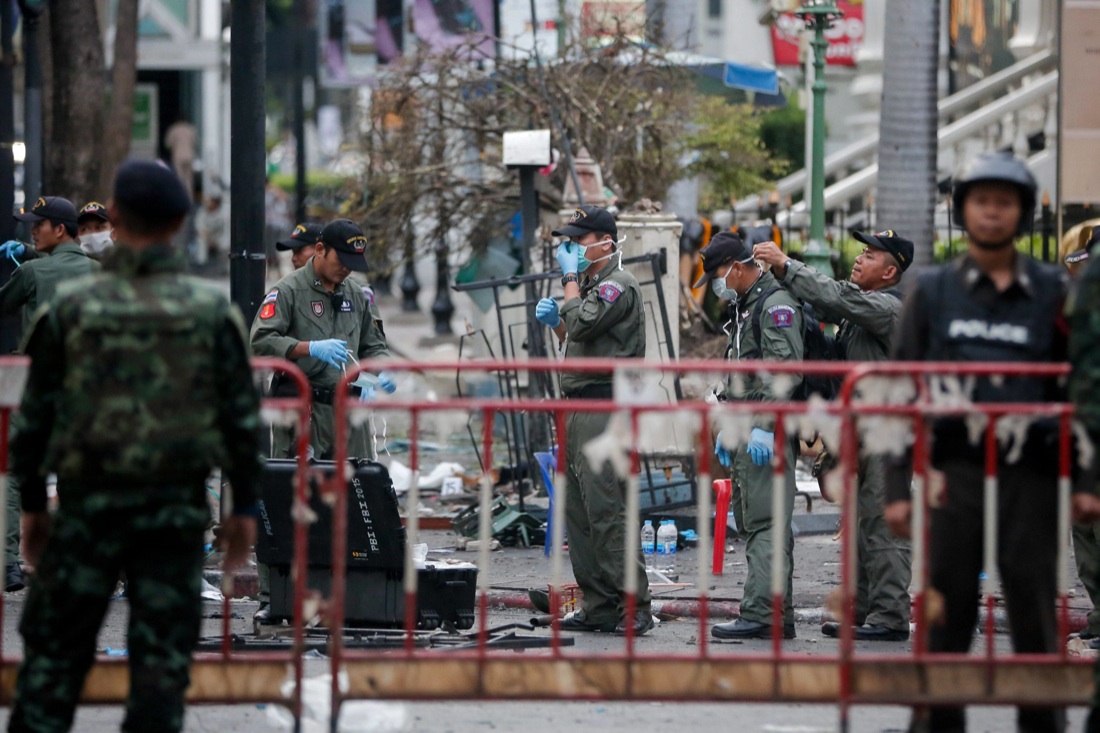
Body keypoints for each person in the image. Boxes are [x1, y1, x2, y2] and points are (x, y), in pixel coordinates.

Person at [5, 159, 262, 733]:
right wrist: (243, 510)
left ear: (113, 218)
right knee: (159, 686)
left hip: (86, 515)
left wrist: (34, 513)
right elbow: (240, 423)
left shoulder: (68, 311)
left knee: (50, 675)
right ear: (179, 222)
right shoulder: (209, 312)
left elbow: (34, 422)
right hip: (171, 521)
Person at [884, 151, 1082, 733]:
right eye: (981, 202)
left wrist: (1088, 482)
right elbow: (899, 393)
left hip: (1032, 477)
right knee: (945, 618)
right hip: (955, 476)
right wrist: (896, 487)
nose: (992, 213)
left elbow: (1083, 386)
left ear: (1020, 215)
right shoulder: (936, 292)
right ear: (962, 210)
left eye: (1004, 203)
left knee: (1034, 619)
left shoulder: (1052, 291)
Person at [754, 231, 913, 642]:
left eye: (871, 255)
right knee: (861, 526)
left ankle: (891, 617)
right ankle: (865, 612)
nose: (860, 259)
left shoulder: (886, 308)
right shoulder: (859, 318)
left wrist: (787, 267)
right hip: (859, 430)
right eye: (861, 251)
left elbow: (838, 296)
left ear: (890, 272)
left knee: (881, 523)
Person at [249, 217, 393, 623]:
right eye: (340, 258)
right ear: (319, 251)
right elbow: (260, 341)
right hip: (303, 409)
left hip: (348, 409)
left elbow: (374, 343)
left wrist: (383, 369)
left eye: (353, 261)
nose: (346, 267)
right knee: (288, 499)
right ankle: (273, 594)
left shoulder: (356, 294)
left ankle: (347, 592)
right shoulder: (288, 291)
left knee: (358, 495)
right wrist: (307, 347)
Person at [533, 204, 653, 636]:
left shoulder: (616, 285)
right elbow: (581, 342)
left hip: (605, 408)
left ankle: (635, 605)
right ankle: (600, 604)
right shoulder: (591, 286)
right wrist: (558, 324)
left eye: (578, 241)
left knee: (608, 511)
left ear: (604, 240)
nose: (571, 249)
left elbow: (584, 325)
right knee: (580, 512)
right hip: (579, 406)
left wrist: (567, 286)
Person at [700, 231, 804, 640]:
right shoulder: (747, 307)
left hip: (767, 431)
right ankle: (778, 613)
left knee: (765, 522)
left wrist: (761, 429)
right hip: (746, 428)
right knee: (754, 520)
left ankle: (763, 614)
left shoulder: (774, 305)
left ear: (739, 268)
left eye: (718, 274)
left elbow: (785, 373)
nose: (716, 284)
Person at [0, 197, 100, 592]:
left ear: (59, 230)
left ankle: (9, 563)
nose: (31, 230)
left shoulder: (34, 272)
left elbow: (3, 304)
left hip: (38, 393)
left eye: (37, 225)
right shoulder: (97, 272)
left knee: (11, 472)